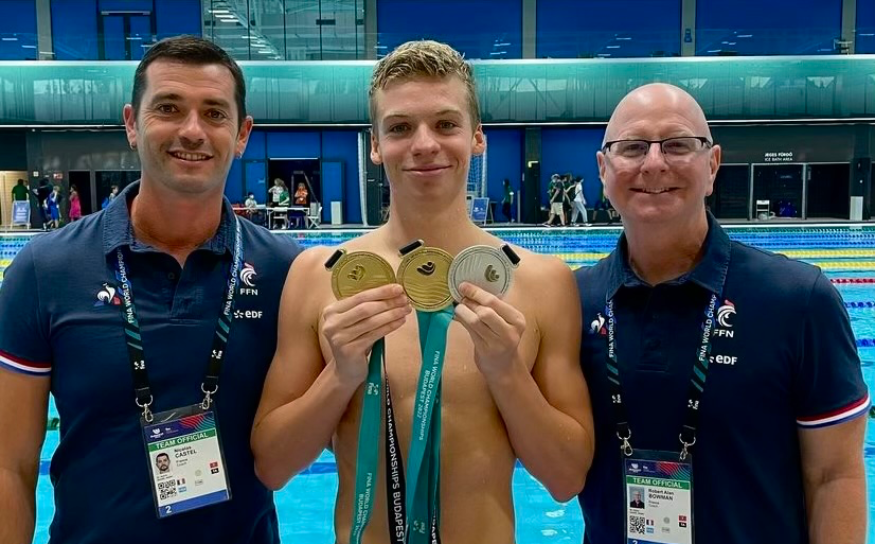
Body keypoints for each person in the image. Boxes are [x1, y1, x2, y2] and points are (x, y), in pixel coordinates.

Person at [251, 40, 594, 544]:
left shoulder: (543, 282)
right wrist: (340, 375)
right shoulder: (317, 275)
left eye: (446, 124)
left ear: (477, 137)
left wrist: (507, 372)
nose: (424, 144)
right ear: (375, 144)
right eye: (400, 128)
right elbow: (273, 467)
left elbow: (566, 480)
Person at [0, 36, 300, 544]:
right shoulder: (44, 270)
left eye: (214, 113)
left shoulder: (287, 272)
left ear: (242, 134)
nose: (192, 131)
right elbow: (9, 465)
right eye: (168, 108)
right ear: (132, 124)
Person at [576, 83, 868, 544]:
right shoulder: (576, 300)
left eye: (677, 145)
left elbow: (835, 475)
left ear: (712, 165)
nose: (654, 163)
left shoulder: (798, 299)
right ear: (603, 168)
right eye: (632, 147)